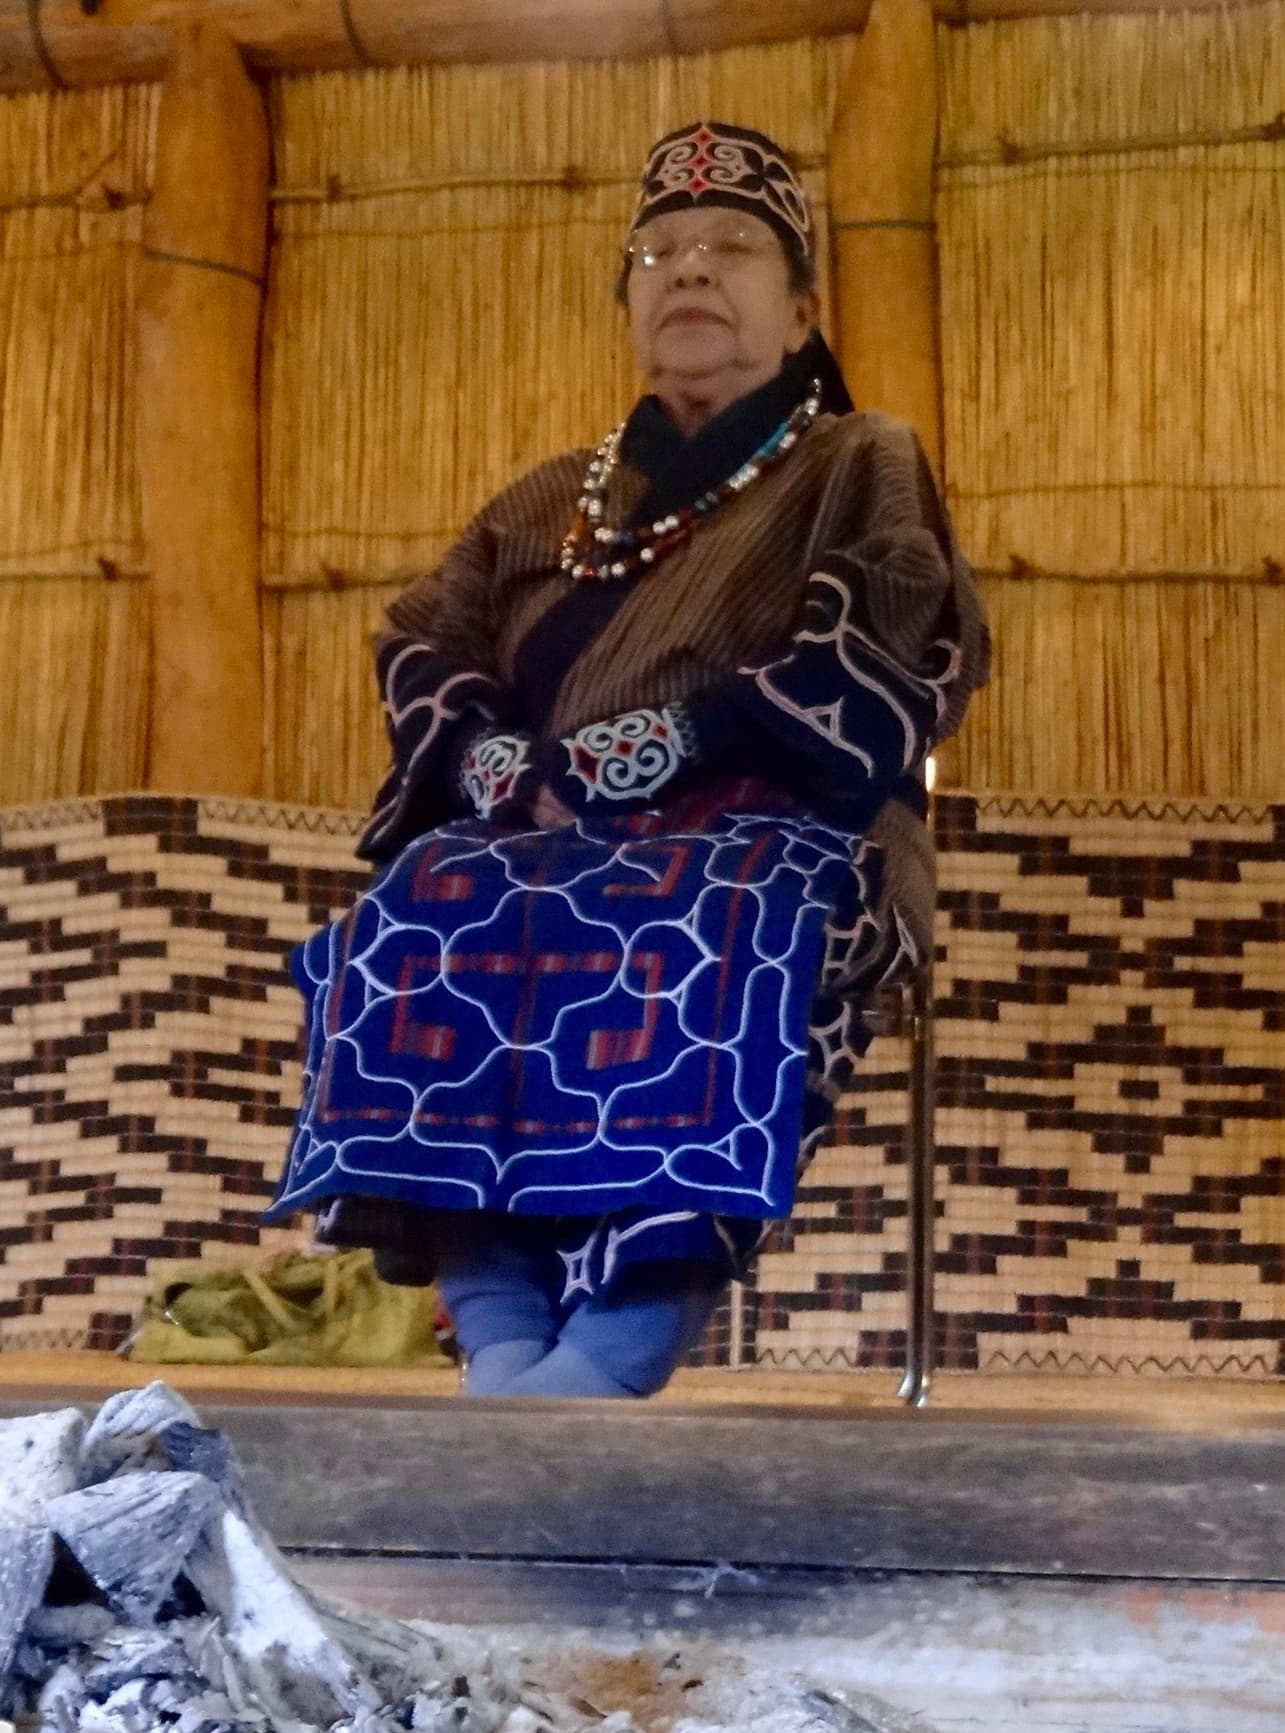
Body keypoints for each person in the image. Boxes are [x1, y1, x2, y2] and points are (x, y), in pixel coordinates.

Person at [274, 120, 989, 1399]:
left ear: (800, 303)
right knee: (429, 898)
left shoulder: (856, 461)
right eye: (659, 250)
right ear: (629, 302)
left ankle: (608, 1354)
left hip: (785, 837)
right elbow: (421, 638)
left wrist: (653, 747)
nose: (692, 270)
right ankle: (502, 1344)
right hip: (536, 838)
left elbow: (889, 641)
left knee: (706, 917)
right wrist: (497, 761)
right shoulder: (545, 498)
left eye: (734, 249)